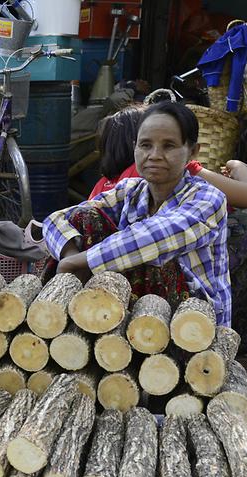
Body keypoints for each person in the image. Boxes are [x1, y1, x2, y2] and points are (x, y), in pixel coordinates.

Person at [45, 102, 231, 325]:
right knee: (84, 217)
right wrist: (69, 256)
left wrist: (81, 262)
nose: (154, 155)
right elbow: (56, 219)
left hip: (192, 323)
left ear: (192, 151)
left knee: (151, 257)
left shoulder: (208, 198)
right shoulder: (131, 190)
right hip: (139, 312)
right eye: (145, 145)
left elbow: (154, 238)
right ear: (135, 148)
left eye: (169, 146)